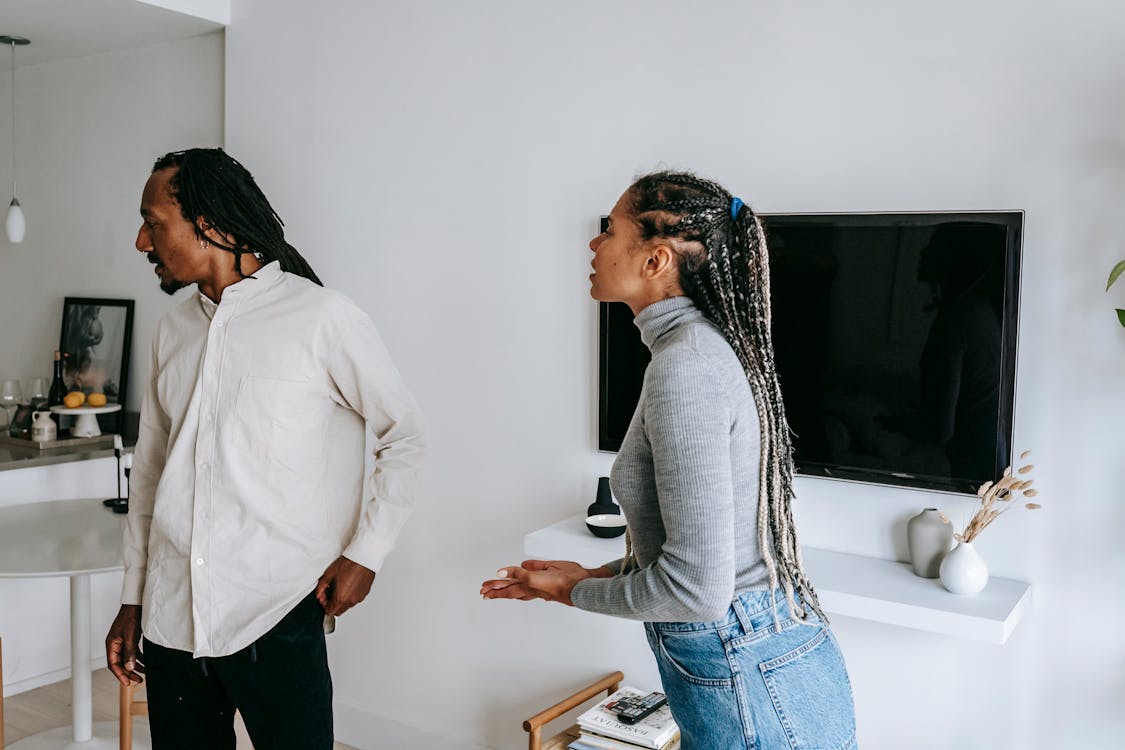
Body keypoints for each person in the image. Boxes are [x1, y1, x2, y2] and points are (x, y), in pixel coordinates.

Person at [481, 172, 857, 749]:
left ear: (656, 260)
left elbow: (697, 591)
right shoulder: (693, 353)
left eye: (610, 230)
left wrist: (569, 593)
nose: (593, 244)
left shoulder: (686, 368)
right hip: (762, 655)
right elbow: (705, 553)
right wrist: (595, 574)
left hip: (750, 676)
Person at [105, 148, 426, 750]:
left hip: (277, 612)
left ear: (207, 222)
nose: (142, 242)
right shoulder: (171, 330)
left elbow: (403, 434)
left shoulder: (323, 319)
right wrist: (132, 599)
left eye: (153, 222)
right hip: (172, 619)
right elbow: (149, 471)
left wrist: (367, 552)